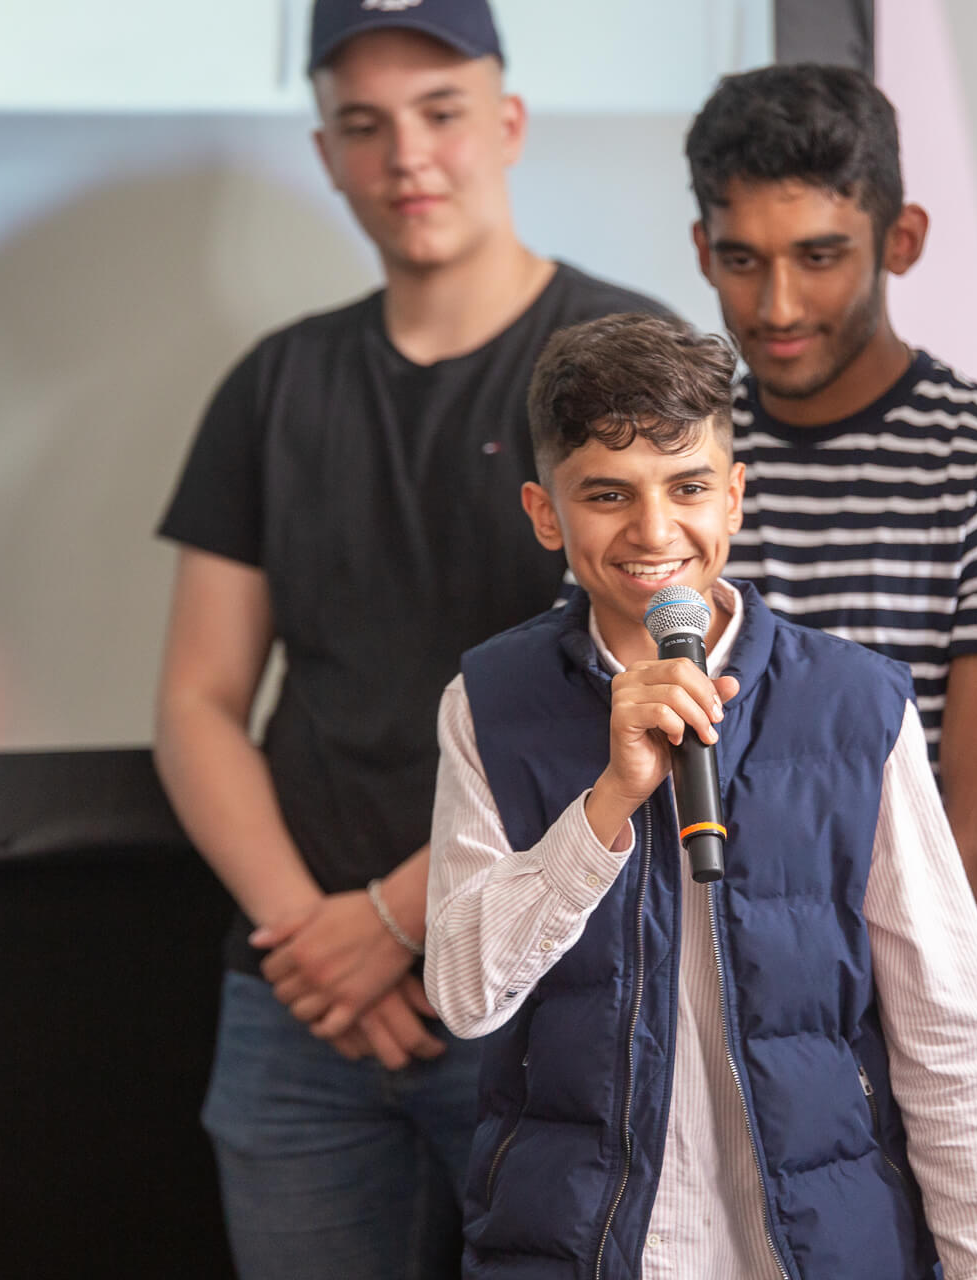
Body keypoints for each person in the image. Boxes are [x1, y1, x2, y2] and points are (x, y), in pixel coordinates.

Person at [150, 1, 669, 1274]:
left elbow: (648, 694)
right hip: (300, 1007)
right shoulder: (276, 384)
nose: (408, 157)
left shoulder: (621, 367)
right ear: (327, 154)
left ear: (509, 123)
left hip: (551, 980)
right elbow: (199, 701)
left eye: (441, 113)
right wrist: (317, 939)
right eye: (366, 126)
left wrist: (393, 920)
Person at [422, 312, 977, 1279]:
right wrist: (607, 805)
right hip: (573, 1249)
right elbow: (465, 995)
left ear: (735, 497)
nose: (654, 529)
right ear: (546, 514)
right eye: (608, 494)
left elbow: (954, 1037)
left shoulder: (854, 706)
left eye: (688, 487)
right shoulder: (489, 703)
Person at [683, 64, 977, 1035]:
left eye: (819, 256)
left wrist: (763, 1007)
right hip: (703, 1034)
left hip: (930, 1045)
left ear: (901, 239)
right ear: (702, 250)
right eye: (742, 259)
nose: (778, 305)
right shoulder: (673, 466)